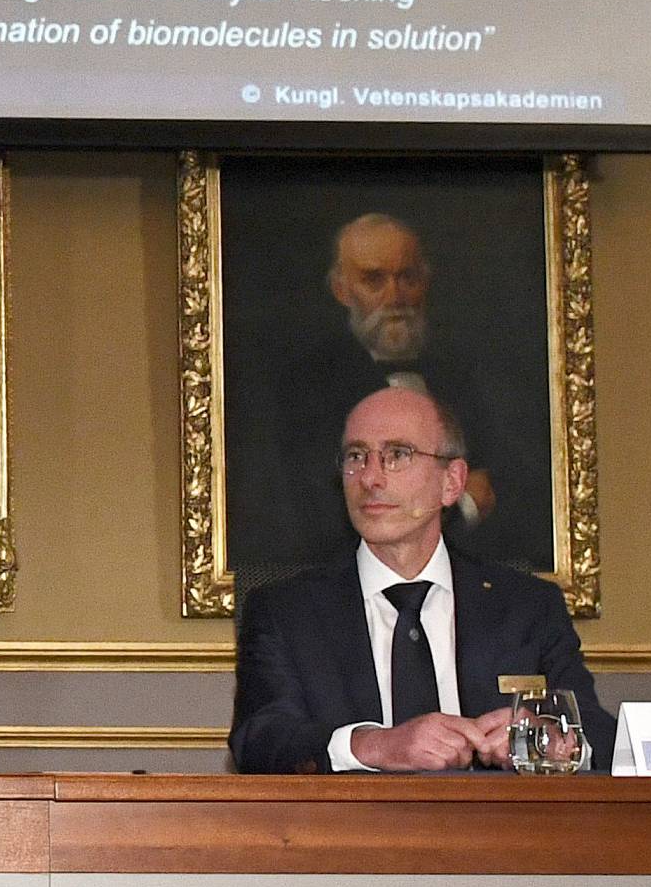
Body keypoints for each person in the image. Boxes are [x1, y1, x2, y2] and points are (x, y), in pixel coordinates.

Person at [229, 385, 615, 775]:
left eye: (397, 455)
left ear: (452, 482)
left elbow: (599, 734)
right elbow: (260, 741)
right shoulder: (286, 610)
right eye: (356, 456)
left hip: (503, 831)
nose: (370, 478)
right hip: (347, 832)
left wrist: (545, 739)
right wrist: (376, 745)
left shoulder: (528, 606)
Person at [265, 212, 528, 567]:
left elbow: (511, 487)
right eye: (374, 280)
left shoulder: (465, 372)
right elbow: (327, 519)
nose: (395, 296)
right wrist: (463, 508)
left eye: (407, 277)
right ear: (342, 290)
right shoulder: (308, 386)